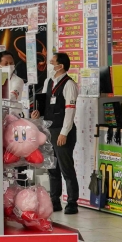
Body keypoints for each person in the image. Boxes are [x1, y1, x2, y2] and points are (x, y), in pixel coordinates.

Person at [33, 52, 79, 214]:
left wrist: (64, 132)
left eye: (52, 63)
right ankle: (55, 200)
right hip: (49, 129)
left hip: (62, 130)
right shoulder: (48, 82)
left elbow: (70, 112)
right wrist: (38, 113)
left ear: (61, 66)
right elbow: (45, 104)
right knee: (52, 167)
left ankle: (72, 202)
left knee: (66, 168)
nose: (50, 66)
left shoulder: (69, 85)